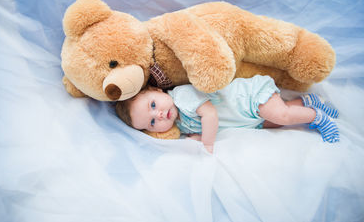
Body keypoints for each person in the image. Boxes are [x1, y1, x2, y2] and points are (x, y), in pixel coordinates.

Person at [116, 75, 339, 153]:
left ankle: (318, 118)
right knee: (278, 121)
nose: (159, 115)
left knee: (282, 116)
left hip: (249, 98)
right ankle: (309, 102)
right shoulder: (180, 125)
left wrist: (207, 142)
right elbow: (196, 129)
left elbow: (210, 115)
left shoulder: (181, 96)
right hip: (250, 119)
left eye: (153, 105)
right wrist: (192, 137)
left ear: (158, 91)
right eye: (152, 122)